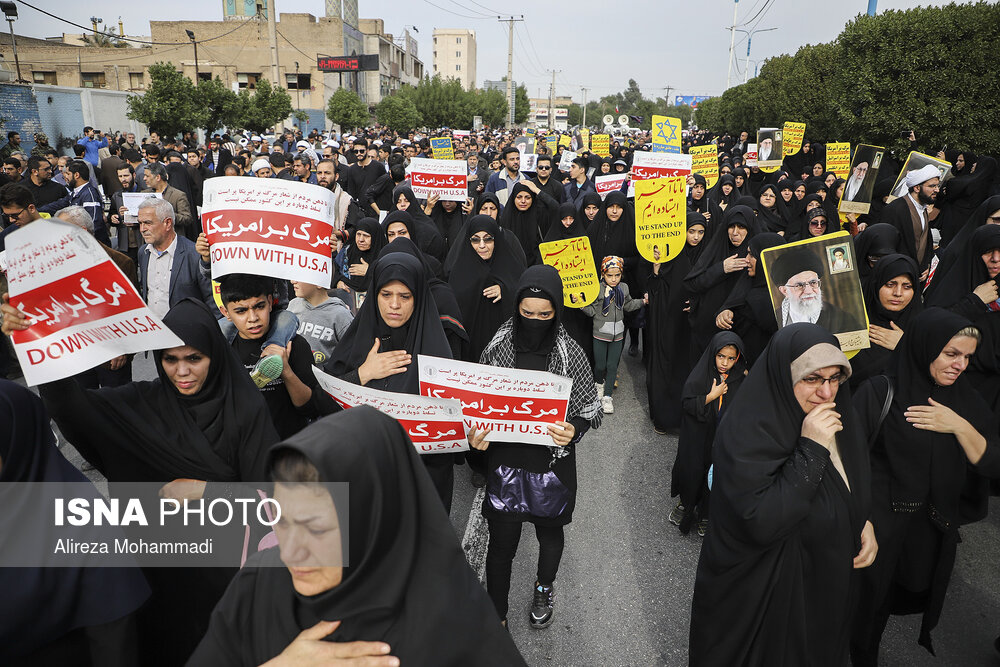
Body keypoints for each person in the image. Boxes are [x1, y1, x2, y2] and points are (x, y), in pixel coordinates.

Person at [1, 297, 280, 665]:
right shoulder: (141, 402)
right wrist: (34, 339)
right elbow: (72, 407)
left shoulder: (245, 410)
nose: (181, 371)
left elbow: (281, 505)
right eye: (169, 359)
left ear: (214, 354)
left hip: (229, 581)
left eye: (194, 358)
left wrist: (209, 492)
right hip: (159, 575)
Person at [188, 406, 527, 666]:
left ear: (374, 522)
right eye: (280, 520)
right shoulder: (258, 582)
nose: (290, 552)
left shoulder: (455, 627)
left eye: (316, 529)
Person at [689, 324, 875, 666]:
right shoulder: (746, 430)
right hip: (765, 605)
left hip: (821, 598)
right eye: (812, 378)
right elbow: (761, 520)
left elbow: (852, 479)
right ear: (782, 375)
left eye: (835, 378)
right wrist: (810, 448)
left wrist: (860, 518)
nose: (827, 392)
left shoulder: (837, 415)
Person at [850, 309, 1000, 664]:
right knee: (859, 602)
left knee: (886, 603)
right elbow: (848, 460)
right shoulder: (880, 390)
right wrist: (859, 516)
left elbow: (993, 462)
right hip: (875, 524)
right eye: (951, 354)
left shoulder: (966, 401)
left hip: (926, 530)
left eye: (967, 357)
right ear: (924, 346)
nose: (959, 365)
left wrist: (960, 427)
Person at [469, 265, 602, 629]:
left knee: (549, 531)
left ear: (557, 311)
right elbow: (475, 404)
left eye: (545, 315)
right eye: (527, 313)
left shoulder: (570, 351)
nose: (535, 320)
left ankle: (544, 587)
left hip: (551, 464)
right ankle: (496, 614)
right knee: (501, 543)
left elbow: (588, 408)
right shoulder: (497, 348)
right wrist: (474, 435)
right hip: (505, 462)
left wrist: (572, 429)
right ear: (516, 309)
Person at [324, 251, 457, 510]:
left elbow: (452, 426)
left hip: (418, 489)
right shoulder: (356, 343)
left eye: (404, 296)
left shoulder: (438, 354)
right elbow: (323, 403)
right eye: (386, 295)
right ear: (375, 296)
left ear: (418, 299)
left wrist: (471, 435)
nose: (394, 305)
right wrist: (363, 374)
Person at [219, 274, 336, 438]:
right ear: (225, 312)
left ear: (269, 302)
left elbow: (311, 408)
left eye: (259, 307)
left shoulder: (294, 345)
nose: (253, 318)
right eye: (241, 311)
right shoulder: (222, 351)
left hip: (290, 445)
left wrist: (286, 371)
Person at [668, 331, 748, 536]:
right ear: (713, 354)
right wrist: (711, 396)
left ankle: (705, 513)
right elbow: (687, 403)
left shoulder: (740, 379)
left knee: (715, 476)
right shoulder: (701, 374)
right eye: (721, 356)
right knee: (692, 471)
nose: (725, 363)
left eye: (731, 358)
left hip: (721, 439)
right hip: (697, 438)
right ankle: (685, 504)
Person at [646, 212, 708, 432]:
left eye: (701, 232)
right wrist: (656, 268)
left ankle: (686, 416)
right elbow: (657, 288)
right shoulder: (672, 255)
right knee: (667, 364)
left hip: (693, 324)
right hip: (670, 321)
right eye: (691, 231)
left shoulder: (707, 255)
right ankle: (664, 417)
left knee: (688, 367)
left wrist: (699, 303)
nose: (696, 237)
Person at [445, 215, 526, 362]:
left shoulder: (510, 265)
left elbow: (524, 292)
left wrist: (505, 289)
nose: (482, 245)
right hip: (471, 352)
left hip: (505, 351)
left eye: (488, 239)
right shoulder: (459, 271)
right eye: (475, 240)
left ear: (497, 240)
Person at [684, 205, 759, 356]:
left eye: (742, 227)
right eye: (731, 226)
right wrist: (721, 268)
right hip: (706, 327)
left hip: (739, 328)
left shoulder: (756, 257)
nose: (735, 233)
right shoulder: (716, 248)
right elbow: (692, 284)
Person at [581, 256, 644, 414]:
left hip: (618, 335)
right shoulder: (597, 289)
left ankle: (607, 397)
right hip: (600, 334)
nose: (614, 279)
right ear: (603, 274)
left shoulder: (624, 288)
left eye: (617, 275)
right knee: (600, 365)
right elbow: (591, 311)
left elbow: (628, 305)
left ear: (621, 274)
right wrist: (581, 303)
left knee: (612, 366)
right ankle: (598, 386)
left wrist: (643, 302)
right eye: (610, 275)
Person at [849, 254, 922, 389]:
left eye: (907, 286)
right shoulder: (852, 322)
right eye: (890, 284)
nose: (898, 293)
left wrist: (905, 346)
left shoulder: (924, 329)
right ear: (876, 285)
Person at [136, 197, 215, 318]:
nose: (142, 229)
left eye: (148, 223)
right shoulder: (143, 253)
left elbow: (212, 301)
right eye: (140, 223)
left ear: (167, 223)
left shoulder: (194, 254)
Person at [714, 232, 785, 366]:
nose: (746, 259)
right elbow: (733, 304)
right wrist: (725, 312)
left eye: (752, 255)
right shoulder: (747, 281)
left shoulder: (789, 297)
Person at [588, 191, 644, 356]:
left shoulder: (632, 229)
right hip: (601, 285)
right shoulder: (597, 227)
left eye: (619, 207)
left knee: (624, 321)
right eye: (611, 207)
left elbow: (640, 258)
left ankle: (616, 360)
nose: (614, 211)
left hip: (626, 284)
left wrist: (622, 262)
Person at [771, 245, 866, 331]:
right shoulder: (775, 319)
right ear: (784, 291)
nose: (808, 291)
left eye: (813, 283)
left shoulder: (841, 319)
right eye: (799, 285)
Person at [881, 164, 940, 277]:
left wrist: (926, 265)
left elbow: (925, 242)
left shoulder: (923, 209)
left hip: (917, 275)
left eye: (937, 186)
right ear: (917, 188)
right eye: (932, 186)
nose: (937, 190)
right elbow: (887, 246)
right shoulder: (895, 209)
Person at [37, 159, 110, 244]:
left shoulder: (89, 194)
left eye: (68, 174)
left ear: (76, 175)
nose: (65, 177)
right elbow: (58, 205)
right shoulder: (75, 193)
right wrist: (36, 211)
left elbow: (94, 222)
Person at [288, 280, 353, 366]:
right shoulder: (293, 305)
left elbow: (353, 355)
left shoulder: (341, 315)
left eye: (301, 276)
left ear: (318, 283)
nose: (293, 281)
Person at [498, 180, 557, 264]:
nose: (523, 201)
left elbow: (556, 208)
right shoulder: (506, 218)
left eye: (527, 197)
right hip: (512, 267)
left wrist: (536, 190)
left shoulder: (540, 215)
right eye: (519, 197)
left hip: (536, 267)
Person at [333, 216, 384, 296]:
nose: (361, 240)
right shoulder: (347, 251)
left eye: (366, 236)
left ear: (375, 238)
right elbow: (334, 270)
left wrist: (370, 271)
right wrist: (338, 281)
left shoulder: (383, 257)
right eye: (358, 234)